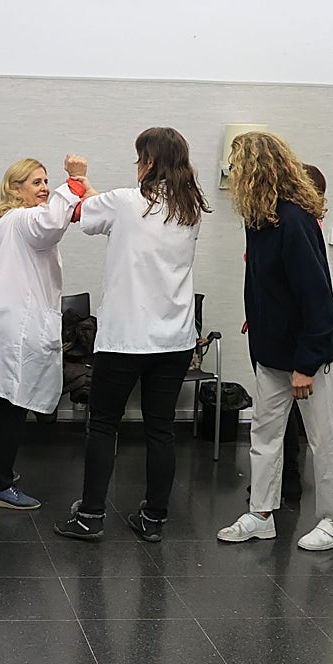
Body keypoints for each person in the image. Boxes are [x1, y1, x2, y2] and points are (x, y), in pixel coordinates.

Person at [53, 128, 210, 543]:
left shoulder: (125, 203)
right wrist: (90, 188)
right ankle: (153, 519)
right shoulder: (189, 211)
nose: (137, 164)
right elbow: (109, 206)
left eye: (140, 157)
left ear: (151, 162)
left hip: (125, 340)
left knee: (104, 425)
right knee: (161, 429)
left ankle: (90, 516)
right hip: (174, 341)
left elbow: (82, 214)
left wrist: (75, 175)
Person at [217, 134, 333, 550]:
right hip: (272, 355)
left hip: (308, 357)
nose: (232, 174)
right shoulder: (260, 220)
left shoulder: (293, 221)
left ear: (256, 170)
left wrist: (306, 363)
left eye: (237, 166)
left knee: (324, 439)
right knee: (265, 434)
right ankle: (261, 513)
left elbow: (318, 300)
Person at [0, 157, 83, 510]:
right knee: (13, 402)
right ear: (14, 188)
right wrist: (75, 181)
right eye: (36, 183)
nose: (44, 189)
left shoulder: (4, 222)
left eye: (46, 181)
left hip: (6, 324)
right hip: (19, 326)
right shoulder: (24, 219)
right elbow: (54, 223)